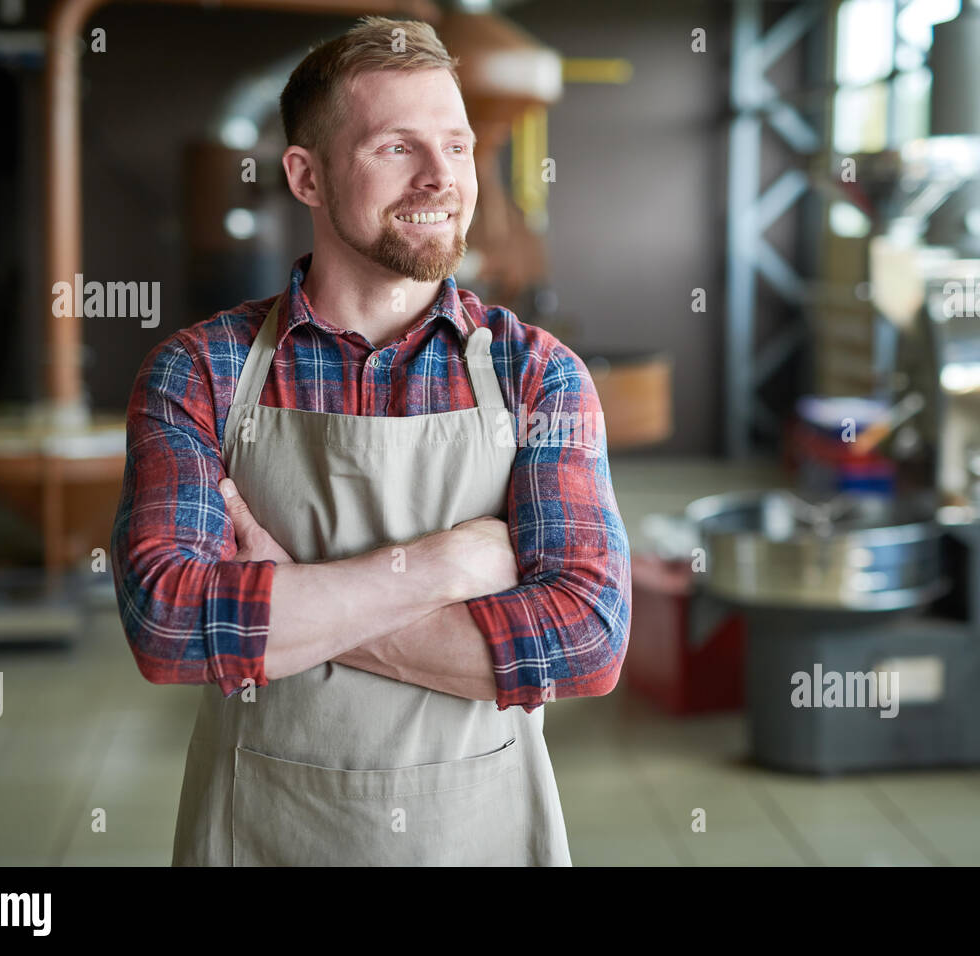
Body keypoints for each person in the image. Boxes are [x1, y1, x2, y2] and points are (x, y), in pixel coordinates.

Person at [110, 16, 631, 866]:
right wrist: (448, 567)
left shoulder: (540, 376)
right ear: (306, 176)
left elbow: (585, 643)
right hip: (261, 834)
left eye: (457, 147)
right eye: (397, 147)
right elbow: (169, 627)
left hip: (480, 835)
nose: (442, 178)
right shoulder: (197, 373)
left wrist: (282, 605)